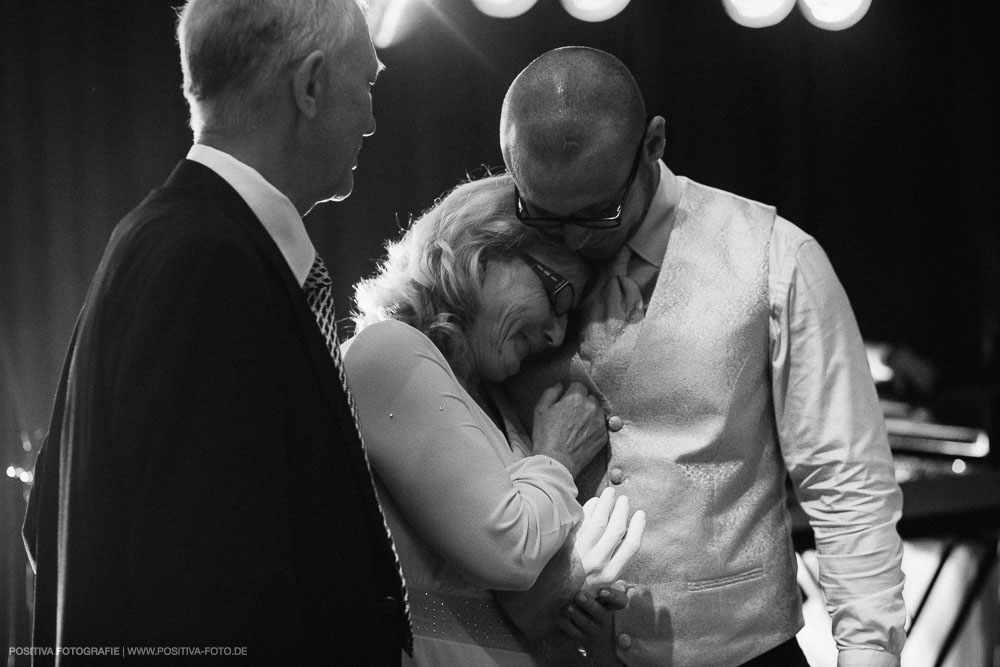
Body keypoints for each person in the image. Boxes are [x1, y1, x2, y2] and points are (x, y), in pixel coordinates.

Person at [21, 1, 409, 664]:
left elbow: (48, 519)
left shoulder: (162, 237)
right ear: (310, 86)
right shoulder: (210, 265)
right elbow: (213, 597)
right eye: (366, 86)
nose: (373, 121)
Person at [499, 47, 907, 667]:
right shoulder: (495, 263)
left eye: (597, 214)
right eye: (544, 215)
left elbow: (847, 482)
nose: (574, 239)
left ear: (654, 144)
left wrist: (870, 654)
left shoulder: (775, 257)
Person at [343, 172, 646, 666]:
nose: (556, 334)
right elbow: (508, 550)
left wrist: (566, 606)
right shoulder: (388, 349)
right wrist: (558, 456)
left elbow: (482, 606)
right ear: (482, 252)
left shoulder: (483, 396)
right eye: (559, 295)